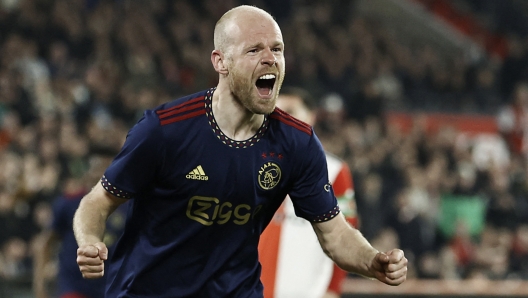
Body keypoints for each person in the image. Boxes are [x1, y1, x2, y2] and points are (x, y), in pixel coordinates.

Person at [73, 5, 408, 298]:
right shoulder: (164, 130)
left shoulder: (297, 143)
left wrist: (371, 260)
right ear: (221, 62)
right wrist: (89, 240)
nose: (270, 58)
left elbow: (334, 234)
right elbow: (98, 201)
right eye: (254, 50)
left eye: (277, 49)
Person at [258, 86, 358, 298]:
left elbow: (346, 236)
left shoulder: (335, 172)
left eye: (291, 111)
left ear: (311, 116)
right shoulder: (244, 165)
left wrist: (333, 289)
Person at [33, 156, 128, 298]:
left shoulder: (126, 207)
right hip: (74, 286)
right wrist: (39, 287)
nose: (99, 173)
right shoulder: (68, 203)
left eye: (104, 168)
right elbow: (45, 243)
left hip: (111, 286)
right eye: (95, 168)